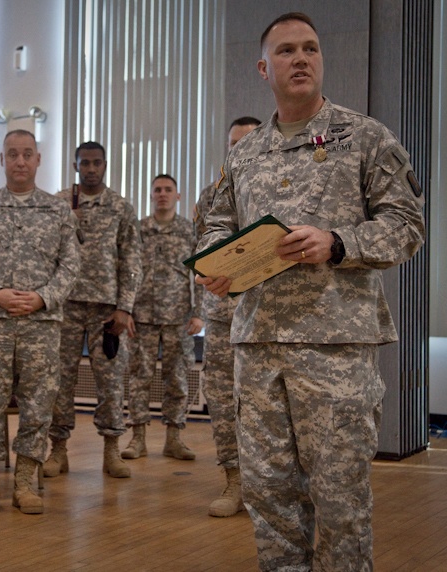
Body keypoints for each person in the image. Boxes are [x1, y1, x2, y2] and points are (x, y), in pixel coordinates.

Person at [196, 12, 425, 570]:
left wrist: (338, 241)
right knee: (269, 497)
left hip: (335, 351)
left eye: (310, 49)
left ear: (322, 60)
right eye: (286, 51)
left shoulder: (364, 137)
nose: (300, 59)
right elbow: (214, 221)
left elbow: (407, 225)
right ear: (263, 67)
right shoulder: (245, 153)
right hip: (257, 348)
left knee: (340, 500)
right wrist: (215, 262)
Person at [0, 129, 80, 515]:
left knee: (39, 404)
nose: (20, 161)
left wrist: (43, 297)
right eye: (13, 154)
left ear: (38, 159)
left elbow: (72, 263)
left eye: (27, 154)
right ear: (2, 160)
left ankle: (25, 481)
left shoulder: (58, 210)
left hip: (41, 323)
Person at [44, 141, 142, 479]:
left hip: (106, 309)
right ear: (75, 166)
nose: (91, 169)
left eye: (97, 163)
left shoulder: (120, 207)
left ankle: (112, 449)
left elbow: (131, 259)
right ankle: (57, 449)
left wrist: (125, 307)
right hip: (65, 305)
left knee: (111, 381)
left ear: (105, 165)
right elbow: (45, 256)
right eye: (84, 163)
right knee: (59, 379)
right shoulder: (57, 204)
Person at [193, 116, 260, 518]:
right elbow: (201, 252)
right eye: (233, 143)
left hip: (267, 314)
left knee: (264, 403)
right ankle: (234, 481)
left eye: (247, 142)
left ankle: (271, 487)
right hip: (221, 316)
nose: (239, 149)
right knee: (221, 401)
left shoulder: (279, 189)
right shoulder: (210, 196)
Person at [122, 174, 203, 461]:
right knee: (138, 378)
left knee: (177, 379)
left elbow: (201, 273)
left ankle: (174, 438)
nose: (163, 194)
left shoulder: (189, 231)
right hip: (141, 316)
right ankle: (138, 438)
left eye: (168, 190)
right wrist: (125, 309)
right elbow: (126, 269)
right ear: (150, 195)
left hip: (178, 317)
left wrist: (199, 313)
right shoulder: (138, 229)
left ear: (178, 196)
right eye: (157, 189)